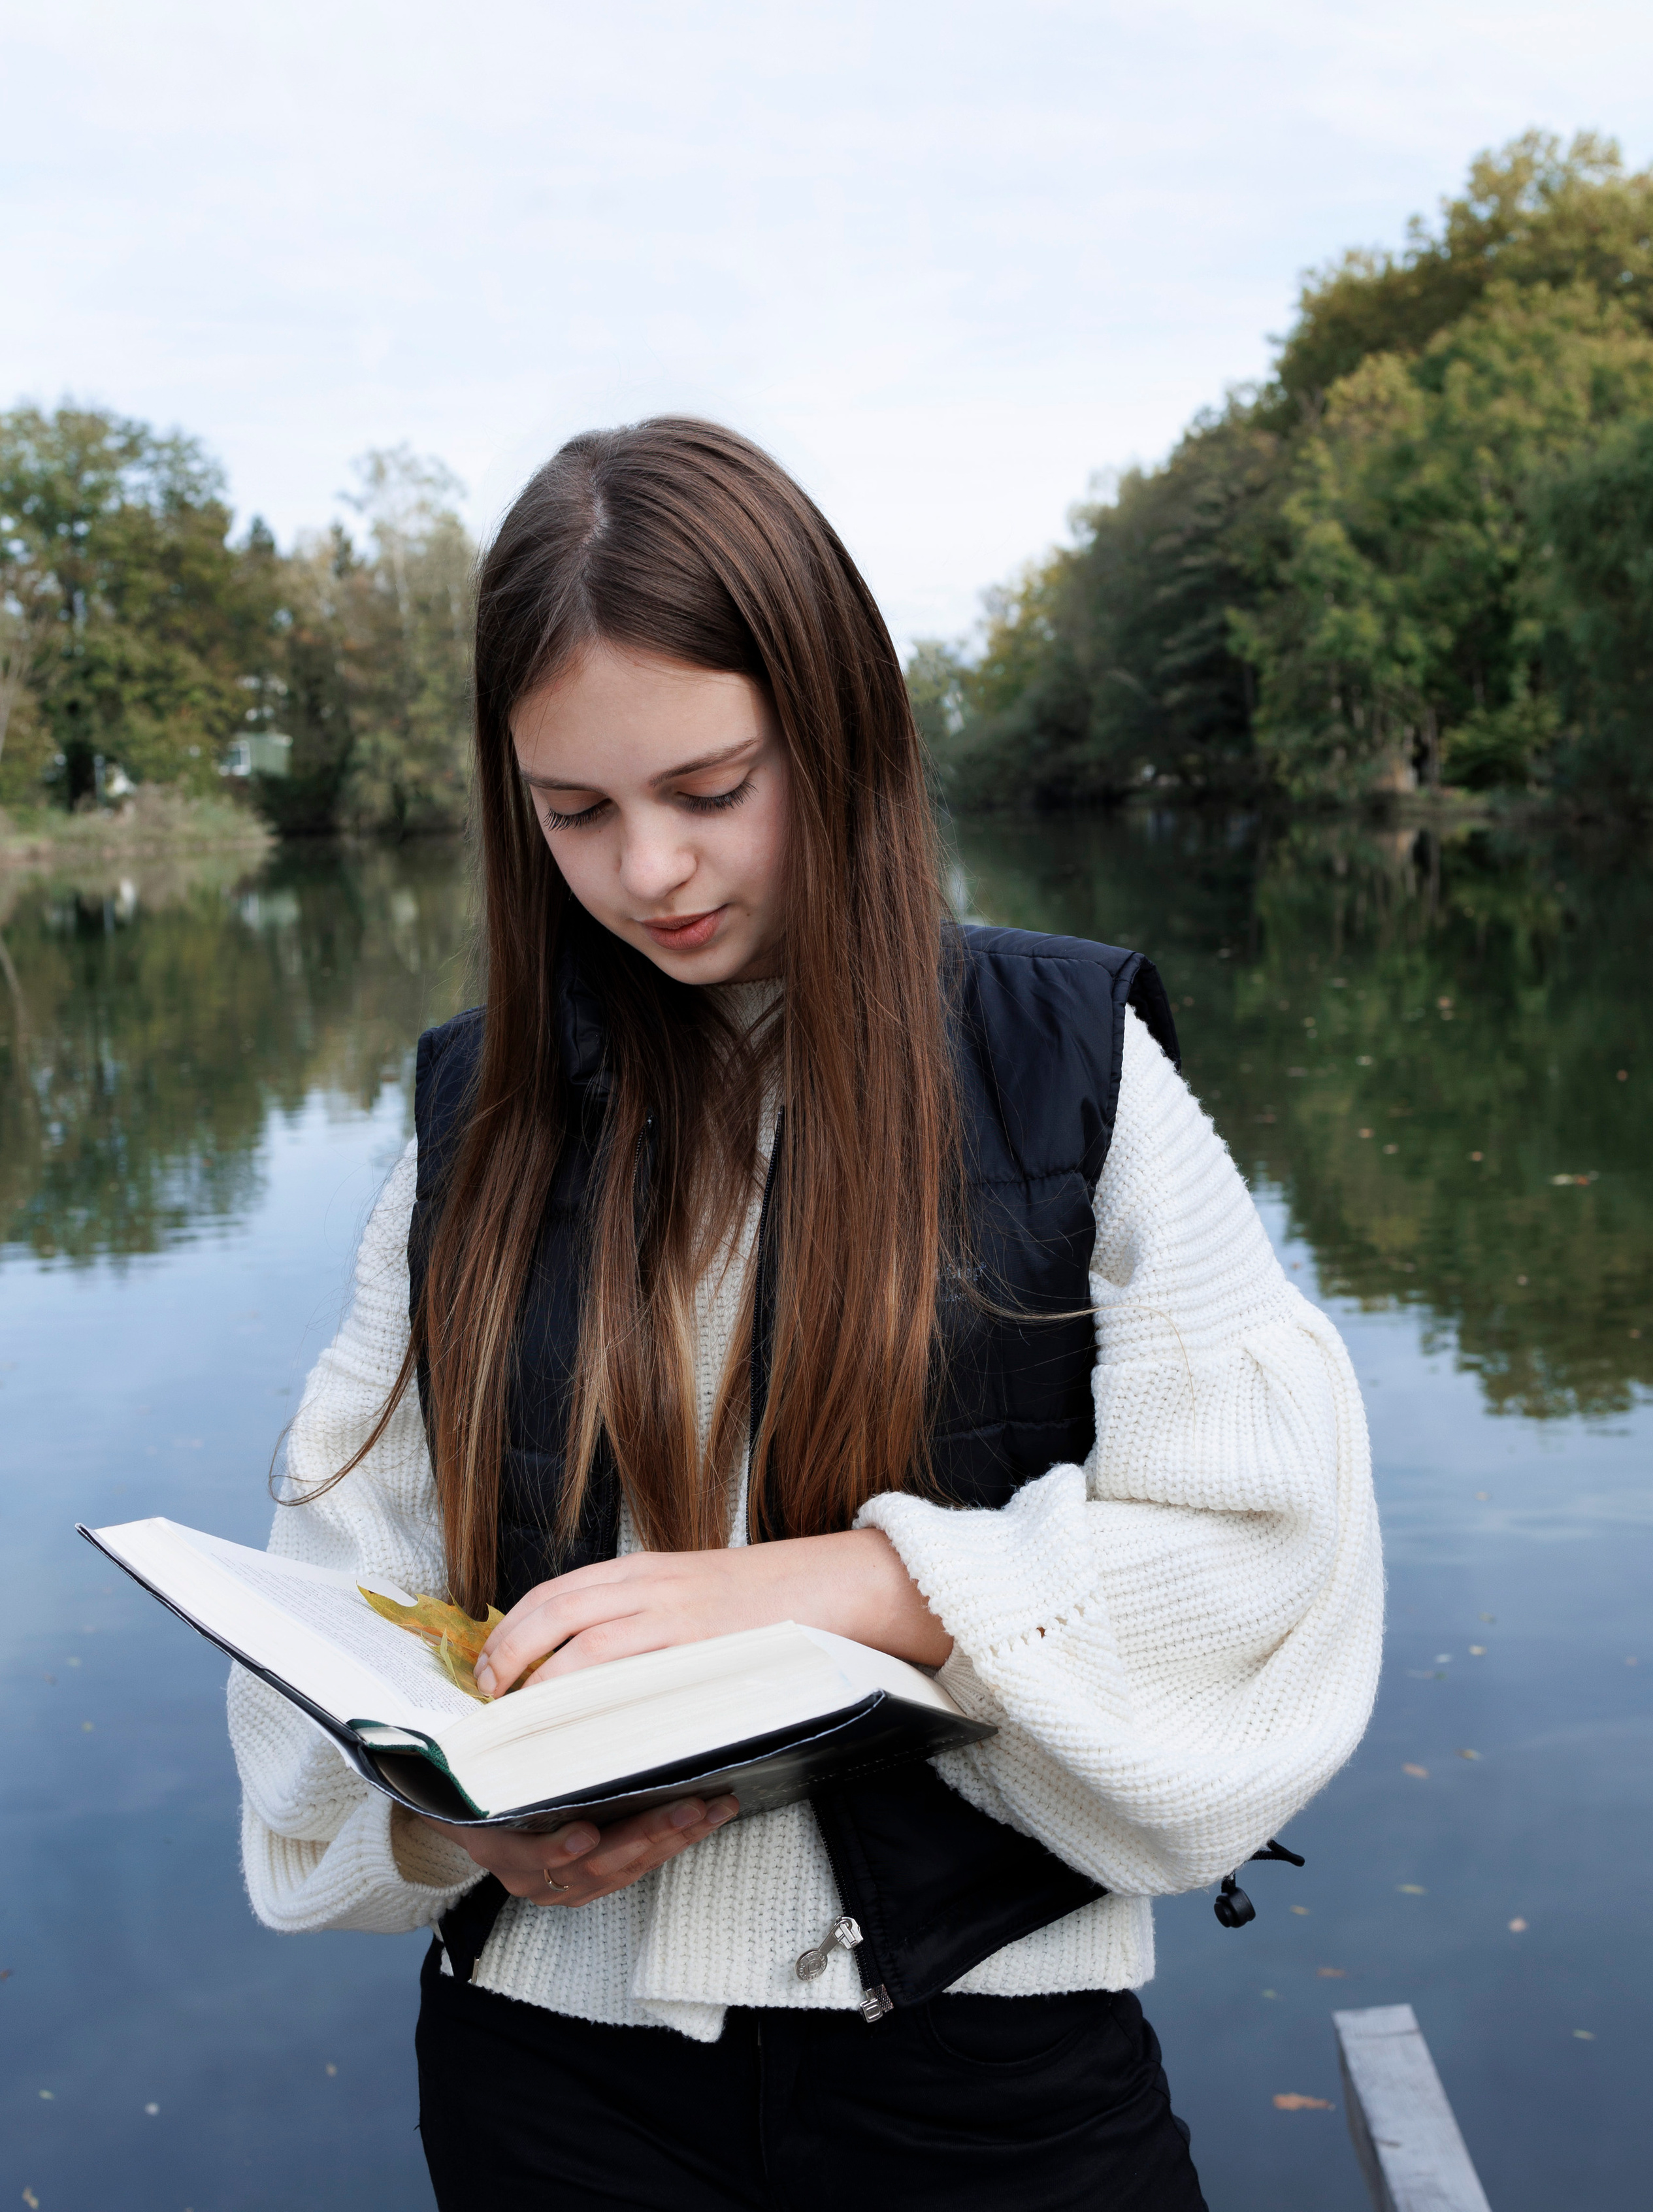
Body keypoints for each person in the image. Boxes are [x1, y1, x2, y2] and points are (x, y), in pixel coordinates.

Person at [229, 418, 1383, 2211]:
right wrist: (445, 1819)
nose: (650, 874)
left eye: (711, 789)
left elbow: (1266, 1548)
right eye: (575, 813)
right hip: (555, 2089)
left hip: (990, 2075)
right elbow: (326, 1599)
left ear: (841, 735)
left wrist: (839, 1586)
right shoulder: (478, 1122)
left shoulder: (1066, 1065)